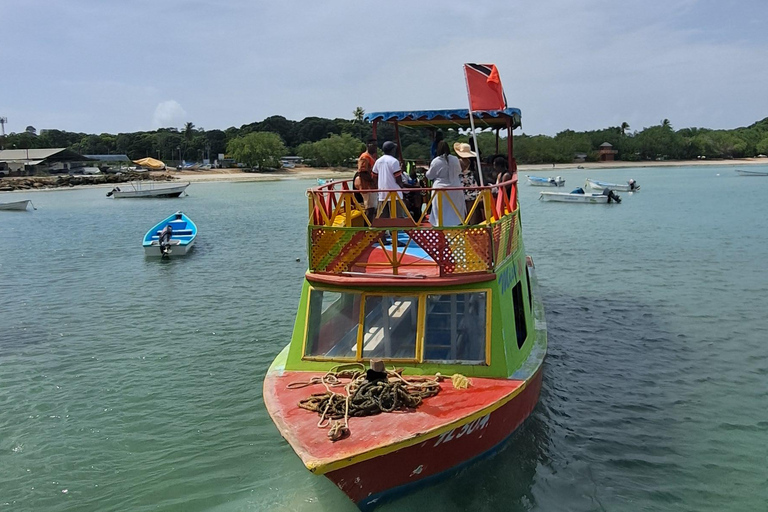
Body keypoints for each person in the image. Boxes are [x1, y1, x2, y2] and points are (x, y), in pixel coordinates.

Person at [426, 140, 467, 226]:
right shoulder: (455, 159)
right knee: (455, 212)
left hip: (440, 190)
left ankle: (441, 230)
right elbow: (459, 171)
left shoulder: (436, 161)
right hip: (456, 188)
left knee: (441, 212)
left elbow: (429, 175)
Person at [372, 141, 408, 218]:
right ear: (392, 150)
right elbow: (398, 179)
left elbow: (374, 176)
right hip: (395, 194)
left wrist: (378, 187)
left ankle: (385, 230)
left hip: (382, 194)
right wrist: (403, 187)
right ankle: (397, 230)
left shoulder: (378, 161)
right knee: (398, 217)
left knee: (383, 219)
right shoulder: (394, 161)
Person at [454, 142, 482, 224]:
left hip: (462, 185)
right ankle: (472, 226)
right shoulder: (470, 162)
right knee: (471, 210)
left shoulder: (459, 162)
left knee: (463, 210)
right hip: (471, 184)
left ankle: (464, 225)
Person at [354, 138, 378, 219]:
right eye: (373, 145)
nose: (375, 147)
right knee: (370, 207)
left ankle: (370, 225)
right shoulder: (365, 157)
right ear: (368, 145)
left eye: (376, 146)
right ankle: (368, 227)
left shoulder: (370, 157)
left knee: (373, 207)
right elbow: (362, 172)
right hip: (367, 185)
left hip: (371, 186)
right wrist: (372, 180)